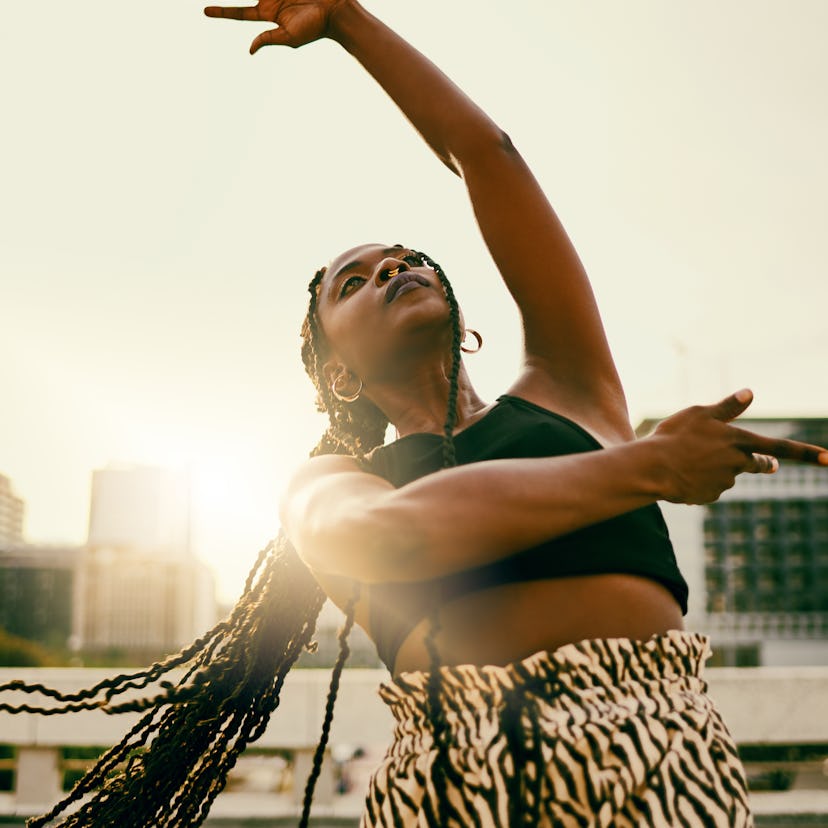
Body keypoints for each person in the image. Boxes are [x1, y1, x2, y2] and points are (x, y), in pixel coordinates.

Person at [2, 2, 825, 827]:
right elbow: (399, 535)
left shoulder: (569, 387)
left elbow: (488, 156)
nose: (388, 266)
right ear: (340, 377)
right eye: (350, 284)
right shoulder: (327, 486)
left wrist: (349, 21)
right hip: (456, 783)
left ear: (465, 322)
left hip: (661, 756)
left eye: (401, 256)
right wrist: (645, 465)